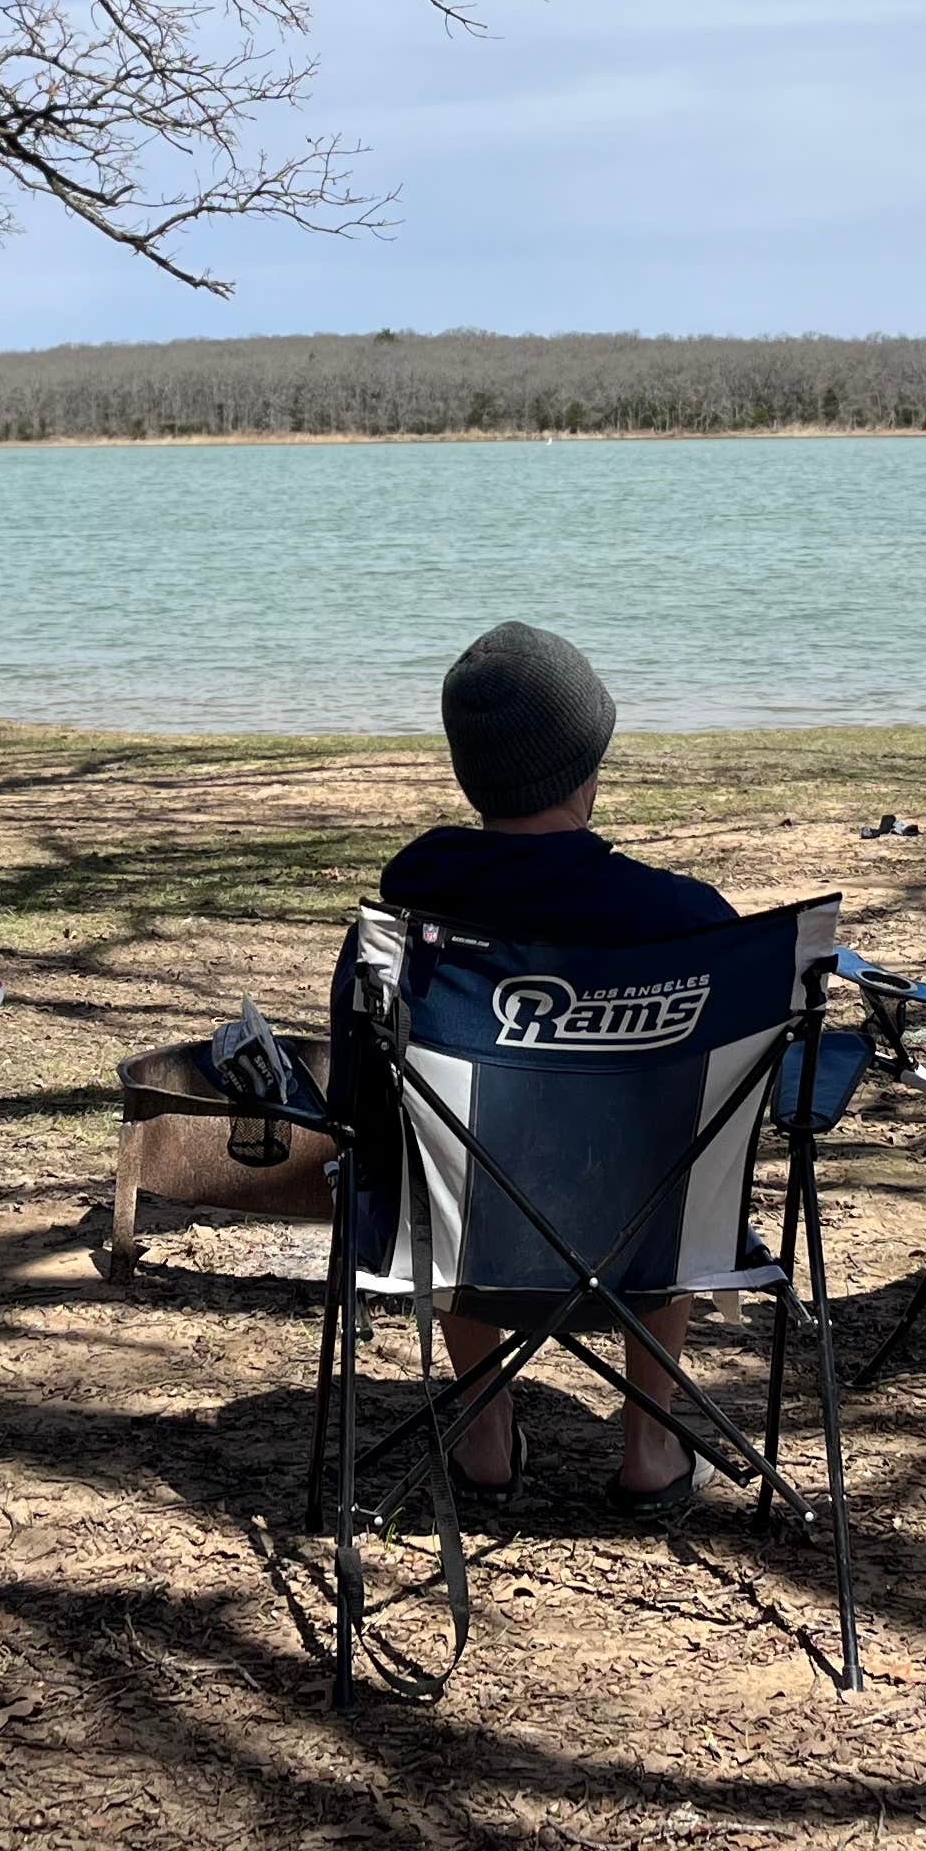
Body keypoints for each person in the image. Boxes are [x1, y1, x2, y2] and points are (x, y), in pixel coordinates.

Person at [379, 620, 730, 1514]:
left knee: (442, 1152)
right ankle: (652, 1447)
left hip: (474, 1233)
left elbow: (369, 1094)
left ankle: (486, 1436)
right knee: (679, 1153)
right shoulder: (691, 921)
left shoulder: (412, 916)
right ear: (587, 763)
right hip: (648, 1231)